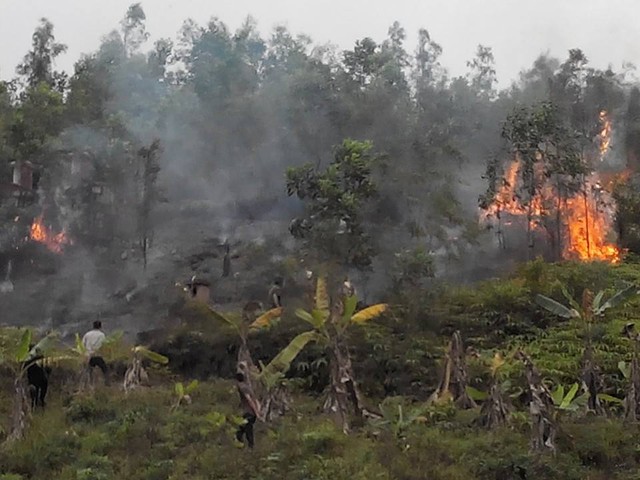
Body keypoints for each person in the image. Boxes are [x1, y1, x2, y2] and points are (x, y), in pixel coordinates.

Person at [235, 361, 262, 449]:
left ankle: (246, 445)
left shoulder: (245, 386)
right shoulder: (244, 387)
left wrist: (257, 410)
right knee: (245, 429)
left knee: (244, 429)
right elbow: (251, 400)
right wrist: (257, 411)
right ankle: (249, 446)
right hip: (249, 411)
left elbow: (252, 399)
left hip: (248, 411)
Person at [82, 320, 109, 385]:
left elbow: (83, 344)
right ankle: (107, 383)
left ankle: (89, 384)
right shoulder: (102, 335)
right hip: (97, 355)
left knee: (89, 371)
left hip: (88, 356)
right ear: (100, 326)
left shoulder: (87, 334)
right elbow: (104, 345)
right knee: (105, 369)